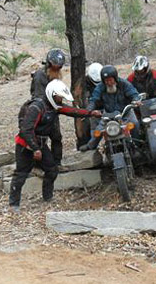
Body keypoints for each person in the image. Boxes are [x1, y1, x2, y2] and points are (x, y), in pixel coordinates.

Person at [11, 79, 101, 211]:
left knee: (52, 170)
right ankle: (13, 204)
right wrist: (35, 149)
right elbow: (26, 130)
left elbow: (71, 111)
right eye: (59, 97)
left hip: (40, 144)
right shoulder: (36, 107)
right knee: (21, 174)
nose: (60, 100)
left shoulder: (53, 106)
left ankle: (47, 198)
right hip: (25, 146)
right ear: (52, 94)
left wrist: (89, 113)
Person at [79, 65, 142, 151]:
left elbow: (133, 94)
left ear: (115, 78)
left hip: (125, 113)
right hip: (108, 115)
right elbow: (94, 99)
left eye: (110, 80)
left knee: (135, 124)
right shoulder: (100, 87)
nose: (108, 83)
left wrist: (136, 100)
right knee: (98, 131)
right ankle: (90, 146)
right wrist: (89, 109)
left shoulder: (124, 84)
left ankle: (137, 145)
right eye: (106, 81)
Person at [30, 48, 67, 166]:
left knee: (56, 137)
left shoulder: (55, 76)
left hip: (52, 111)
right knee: (39, 139)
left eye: (59, 67)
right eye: (56, 67)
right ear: (50, 64)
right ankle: (38, 165)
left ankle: (57, 163)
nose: (58, 69)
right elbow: (39, 97)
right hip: (41, 113)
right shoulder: (40, 76)